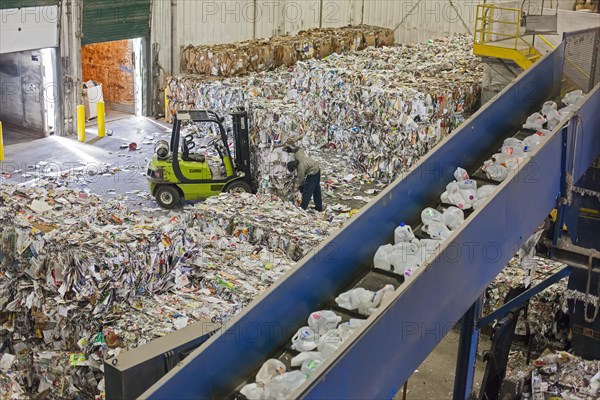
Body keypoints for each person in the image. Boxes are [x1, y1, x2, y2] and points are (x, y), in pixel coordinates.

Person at [285, 146, 323, 212]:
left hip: (313, 172)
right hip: (317, 168)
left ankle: (302, 208)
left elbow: (301, 180)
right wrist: (291, 150)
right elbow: (299, 148)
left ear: (295, 167)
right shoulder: (297, 156)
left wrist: (301, 187)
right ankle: (319, 207)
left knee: (307, 190)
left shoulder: (300, 168)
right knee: (316, 190)